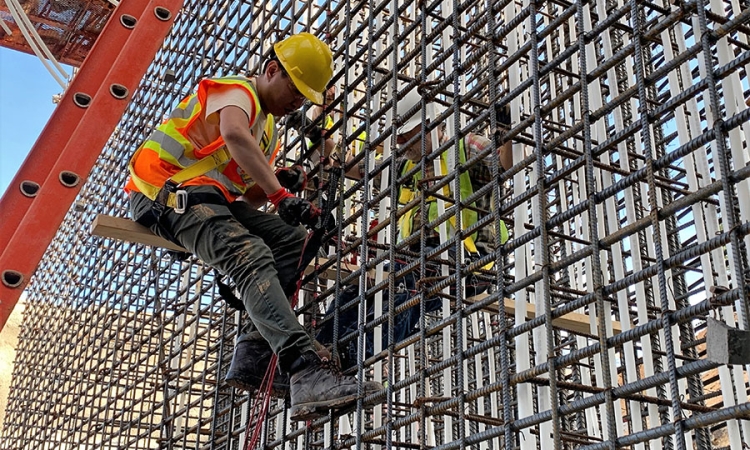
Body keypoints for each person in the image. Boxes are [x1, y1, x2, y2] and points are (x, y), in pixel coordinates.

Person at [124, 32, 381, 421]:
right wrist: (280, 195)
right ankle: (303, 369)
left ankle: (256, 353)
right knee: (250, 254)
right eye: (295, 91)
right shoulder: (238, 91)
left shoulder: (267, 133)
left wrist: (281, 183)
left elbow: (245, 200)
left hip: (211, 203)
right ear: (272, 70)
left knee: (293, 240)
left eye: (304, 98)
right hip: (165, 193)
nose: (297, 103)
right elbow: (232, 135)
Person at [316, 87, 512, 369]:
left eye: (407, 134)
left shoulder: (466, 147)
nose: (400, 141)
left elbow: (505, 166)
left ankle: (351, 359)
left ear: (430, 124)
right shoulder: (405, 167)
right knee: (358, 285)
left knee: (405, 283)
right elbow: (347, 165)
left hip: (470, 263)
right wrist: (319, 123)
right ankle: (319, 356)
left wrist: (505, 131)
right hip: (416, 260)